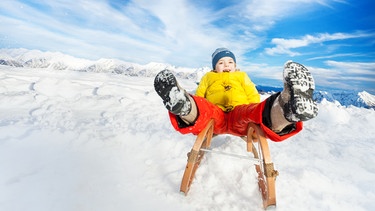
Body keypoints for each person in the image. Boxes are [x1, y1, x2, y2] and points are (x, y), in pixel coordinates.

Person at [154, 48, 318, 142]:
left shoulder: (242, 76)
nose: (226, 65)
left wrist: (253, 109)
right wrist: (198, 103)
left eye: (230, 62)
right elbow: (201, 96)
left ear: (235, 65)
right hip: (215, 115)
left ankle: (289, 107)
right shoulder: (209, 77)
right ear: (214, 67)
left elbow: (252, 95)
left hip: (239, 115)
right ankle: (182, 104)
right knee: (201, 108)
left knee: (256, 111)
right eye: (221, 63)